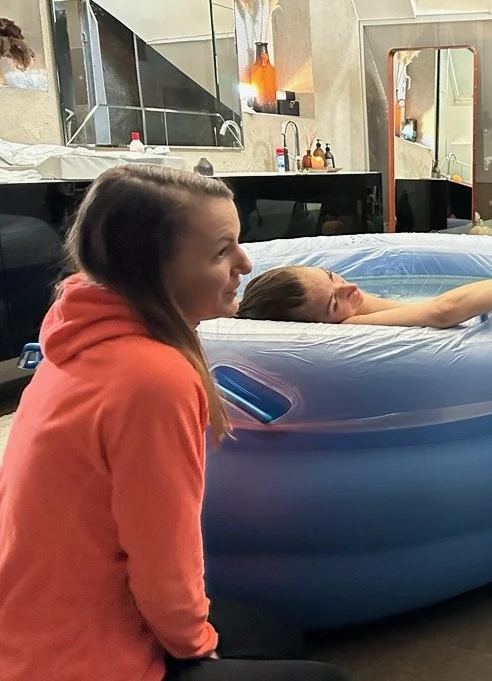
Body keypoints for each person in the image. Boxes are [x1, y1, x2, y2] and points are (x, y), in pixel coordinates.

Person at [0, 165, 346, 681]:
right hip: (78, 660)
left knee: (271, 633)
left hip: (28, 624)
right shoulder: (153, 378)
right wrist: (196, 646)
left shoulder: (74, 331)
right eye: (220, 251)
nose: (246, 263)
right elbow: (163, 564)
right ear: (153, 269)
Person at [236, 264, 492, 330]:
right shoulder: (353, 323)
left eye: (331, 276)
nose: (349, 288)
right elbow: (442, 311)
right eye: (333, 303)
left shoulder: (350, 304)